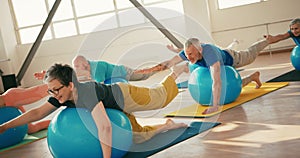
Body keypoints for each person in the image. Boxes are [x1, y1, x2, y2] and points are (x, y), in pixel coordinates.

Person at [0, 63, 189, 158]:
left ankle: (177, 71)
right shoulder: (61, 95)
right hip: (113, 109)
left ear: (71, 85)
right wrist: (6, 126)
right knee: (136, 138)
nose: (54, 95)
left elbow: (105, 127)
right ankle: (167, 125)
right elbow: (37, 113)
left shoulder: (86, 93)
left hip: (124, 96)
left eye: (56, 90)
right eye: (50, 91)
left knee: (161, 97)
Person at [135, 37, 272, 114]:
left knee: (251, 54)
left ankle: (266, 40)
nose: (189, 57)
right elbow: (169, 63)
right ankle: (253, 77)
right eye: (187, 54)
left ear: (200, 50)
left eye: (191, 54)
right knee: (232, 86)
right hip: (213, 65)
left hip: (232, 59)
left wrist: (215, 105)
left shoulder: (210, 54)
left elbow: (216, 81)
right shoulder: (189, 52)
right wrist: (150, 70)